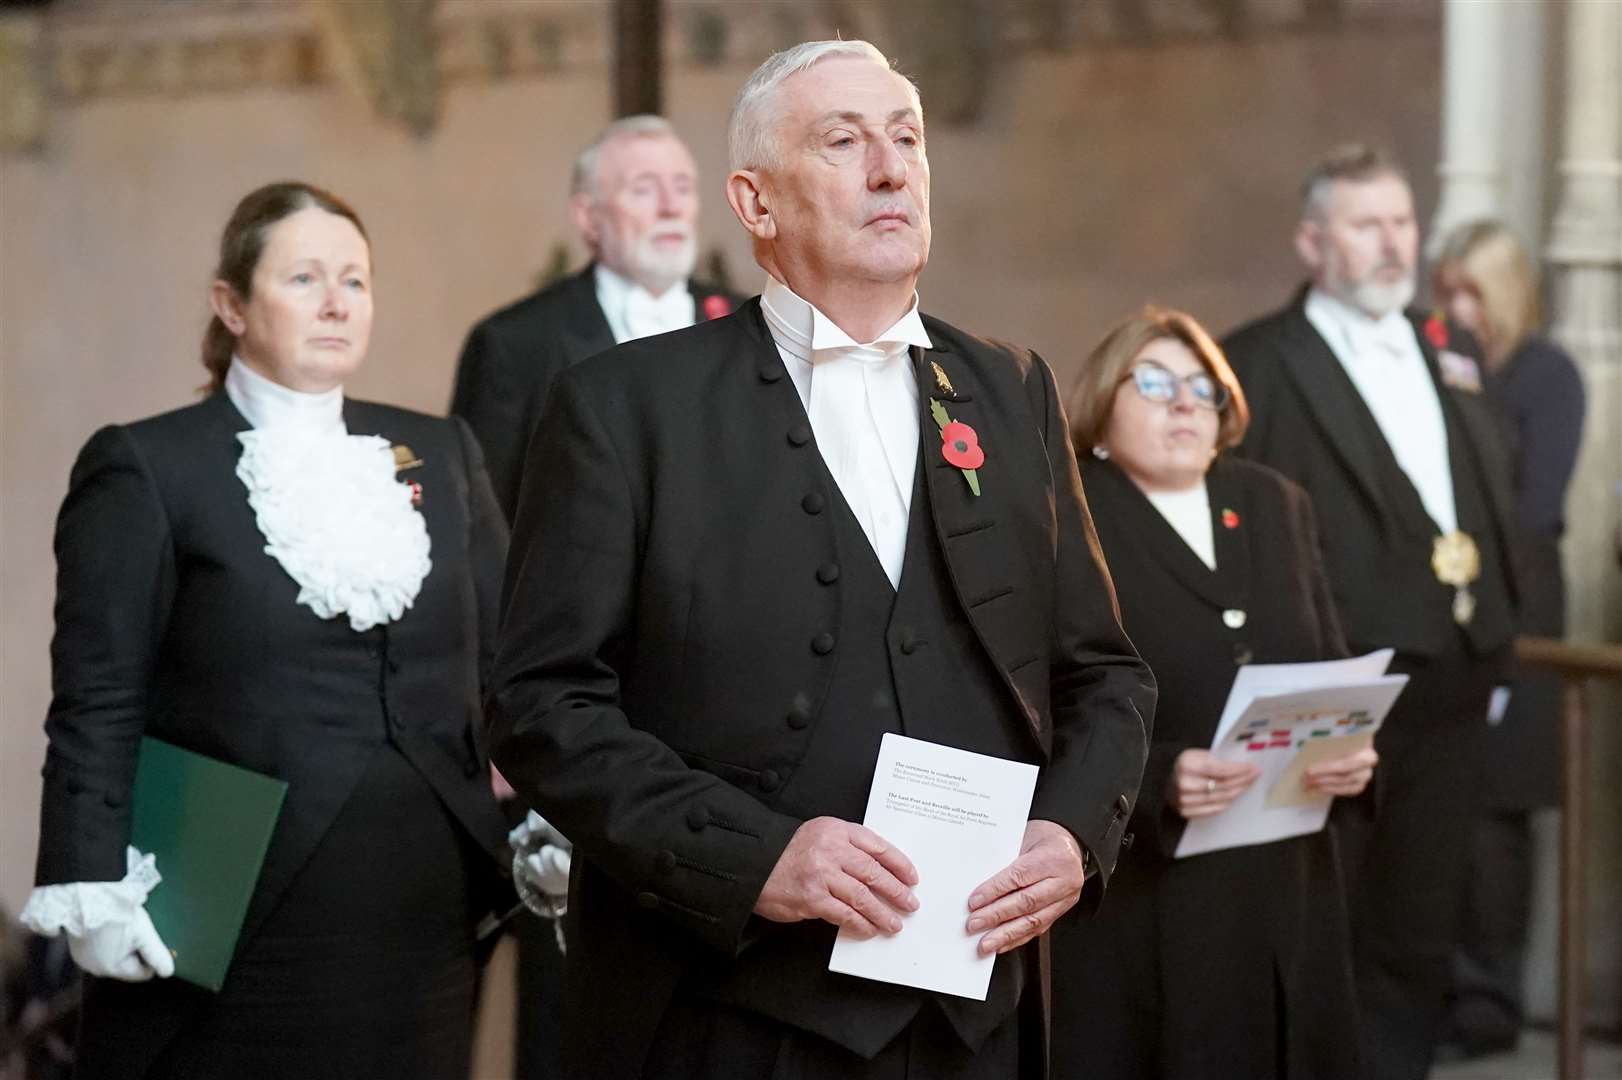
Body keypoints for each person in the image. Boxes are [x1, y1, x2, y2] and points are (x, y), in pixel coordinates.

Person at [486, 39, 1155, 1079]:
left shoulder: (1010, 388)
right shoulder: (621, 410)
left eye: (906, 139)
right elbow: (541, 707)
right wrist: (752, 858)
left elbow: (1104, 674)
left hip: (974, 1008)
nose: (890, 169)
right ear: (754, 204)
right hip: (725, 1009)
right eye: (843, 141)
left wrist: (1074, 835)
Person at [18, 181, 511, 1079]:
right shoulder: (148, 464)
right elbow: (97, 694)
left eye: (355, 281)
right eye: (304, 278)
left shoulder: (440, 451)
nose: (336, 303)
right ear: (231, 305)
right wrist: (84, 877)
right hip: (232, 898)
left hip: (423, 902)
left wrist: (550, 808)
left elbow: (510, 659)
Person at [1222, 145, 1519, 1080]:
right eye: (1366, 224)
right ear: (1314, 241)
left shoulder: (1451, 346)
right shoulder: (1257, 361)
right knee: (1325, 916)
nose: (1393, 243)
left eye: (1401, 221)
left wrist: (1501, 631)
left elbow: (1490, 488)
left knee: (1419, 924)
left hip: (1456, 669)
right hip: (1329, 676)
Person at [1051, 306, 1375, 1079]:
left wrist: (1355, 755)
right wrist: (1159, 776)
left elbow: (1327, 663)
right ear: (1102, 404)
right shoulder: (1069, 511)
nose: (1186, 402)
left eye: (1206, 388)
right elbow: (1043, 703)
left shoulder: (1272, 501)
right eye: (1156, 382)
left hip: (1284, 875)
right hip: (1145, 892)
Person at [1432, 220, 1586, 1058]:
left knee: (1499, 821)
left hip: (1520, 615)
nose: (1459, 309)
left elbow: (1536, 510)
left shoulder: (1545, 374)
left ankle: (1489, 1002)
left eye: (1472, 293)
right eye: (1446, 291)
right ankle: (1443, 989)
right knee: (1446, 808)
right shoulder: (1445, 372)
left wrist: (1488, 611)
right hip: (1448, 612)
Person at [450, 114, 742, 523]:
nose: (671, 207)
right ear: (589, 217)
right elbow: (482, 518)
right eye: (644, 189)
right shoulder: (513, 343)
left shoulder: (746, 323)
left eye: (683, 187)